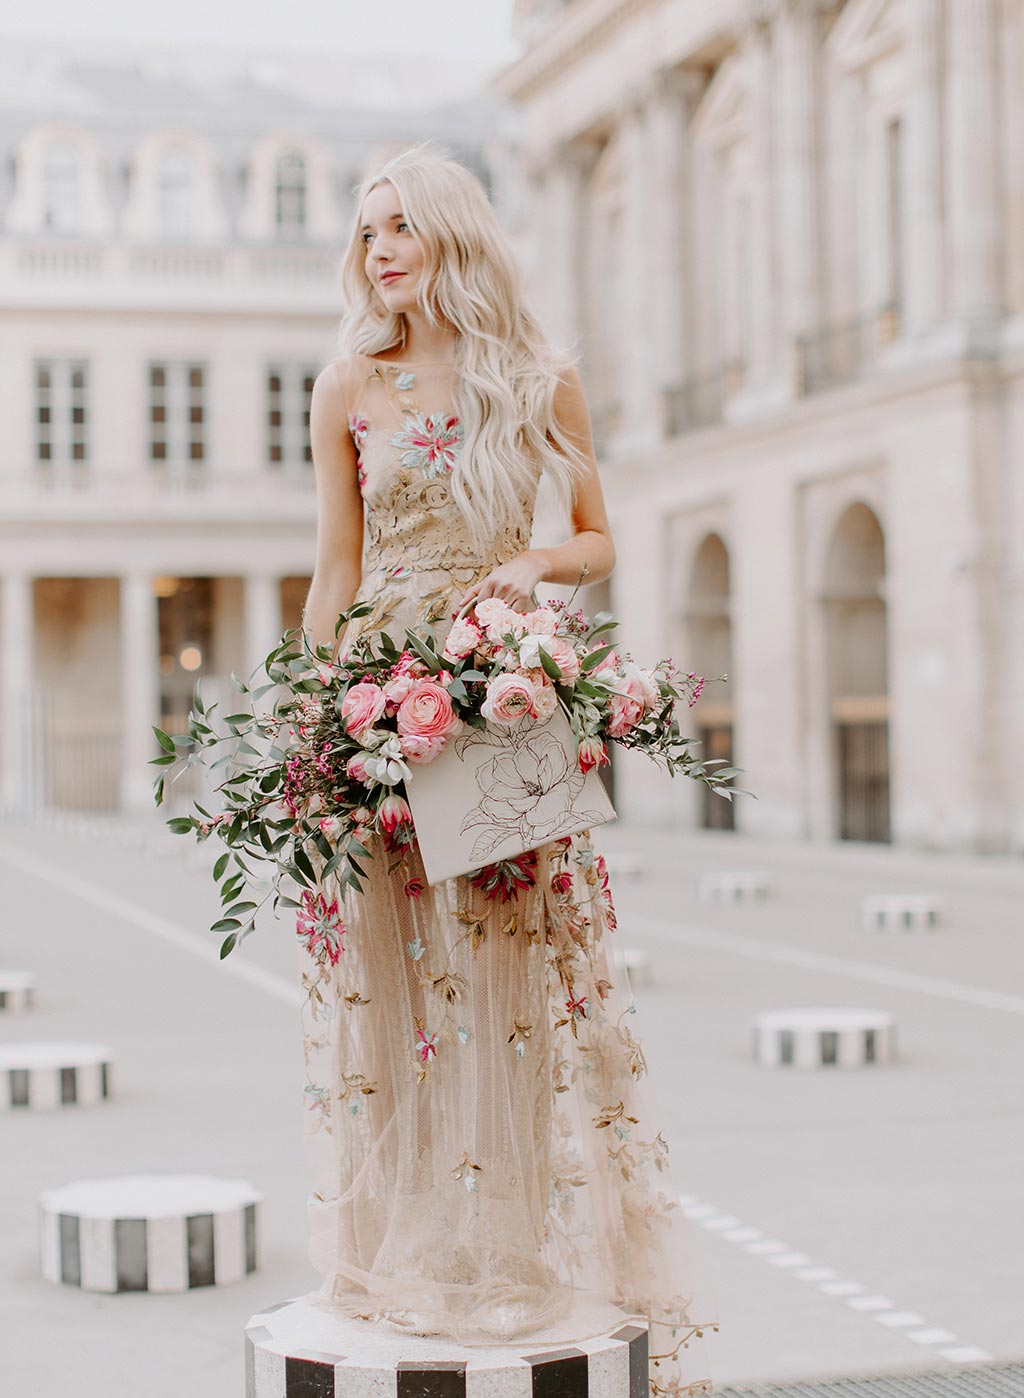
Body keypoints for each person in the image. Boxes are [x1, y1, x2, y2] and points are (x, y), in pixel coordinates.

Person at [300, 141, 717, 1396]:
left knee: (504, 977)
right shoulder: (346, 385)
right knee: (391, 987)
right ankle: (405, 1257)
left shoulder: (538, 377)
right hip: (380, 697)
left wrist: (531, 571)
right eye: (367, 230)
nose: (379, 252)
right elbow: (334, 564)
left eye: (400, 228)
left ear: (450, 236)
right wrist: (313, 718)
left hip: (497, 693)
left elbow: (594, 539)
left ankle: (507, 1257)